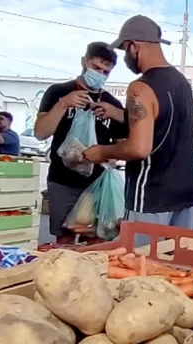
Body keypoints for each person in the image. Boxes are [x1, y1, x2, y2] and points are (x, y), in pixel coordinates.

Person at [83, 15, 193, 229]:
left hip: (151, 194)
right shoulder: (181, 82)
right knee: (180, 260)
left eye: (125, 50)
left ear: (134, 47)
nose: (126, 58)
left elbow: (138, 148)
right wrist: (119, 114)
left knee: (138, 260)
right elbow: (165, 123)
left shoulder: (140, 87)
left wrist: (101, 151)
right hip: (187, 194)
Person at [34, 42, 127, 244]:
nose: (100, 74)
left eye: (106, 71)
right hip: (62, 180)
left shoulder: (113, 105)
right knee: (64, 240)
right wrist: (63, 104)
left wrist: (106, 155)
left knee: (96, 238)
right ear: (84, 61)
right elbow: (41, 133)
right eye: (96, 68)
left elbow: (122, 146)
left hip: (98, 184)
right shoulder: (58, 92)